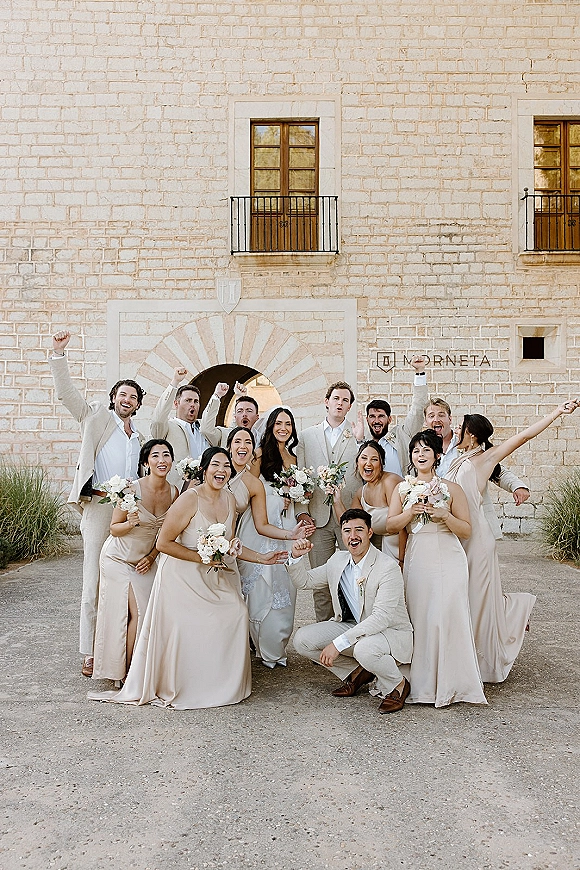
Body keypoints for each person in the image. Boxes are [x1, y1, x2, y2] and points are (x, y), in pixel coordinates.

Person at [88, 447, 288, 710]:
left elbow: (228, 544)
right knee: (189, 621)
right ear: (204, 470)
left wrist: (263, 558)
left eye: (226, 466)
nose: (222, 470)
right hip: (181, 575)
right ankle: (187, 685)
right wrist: (201, 558)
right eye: (215, 465)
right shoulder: (188, 499)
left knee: (237, 612)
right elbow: (164, 542)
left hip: (213, 576)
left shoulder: (229, 500)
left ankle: (222, 684)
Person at [446, 400, 579, 683]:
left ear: (472, 433)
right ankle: (470, 652)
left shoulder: (486, 458)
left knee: (478, 599)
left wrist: (558, 412)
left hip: (478, 539)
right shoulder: (456, 458)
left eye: (461, 426)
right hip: (459, 536)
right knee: (465, 596)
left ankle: (485, 660)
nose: (457, 429)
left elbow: (525, 436)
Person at [49, 330, 145, 677]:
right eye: (122, 395)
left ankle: (120, 647)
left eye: (133, 397)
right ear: (113, 398)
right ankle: (88, 651)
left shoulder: (140, 436)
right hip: (100, 507)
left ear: (138, 403)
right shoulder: (94, 418)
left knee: (127, 581)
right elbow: (66, 394)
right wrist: (58, 354)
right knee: (94, 582)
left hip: (129, 511)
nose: (126, 400)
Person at [386, 430, 487, 707]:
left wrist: (445, 515)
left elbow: (466, 531)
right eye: (416, 451)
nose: (421, 455)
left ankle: (451, 683)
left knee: (444, 615)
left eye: (426, 450)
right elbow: (391, 526)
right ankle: (420, 683)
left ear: (437, 455)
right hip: (418, 557)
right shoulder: (402, 488)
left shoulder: (452, 489)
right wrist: (409, 513)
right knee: (420, 617)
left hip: (448, 555)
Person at [289, 509, 414, 714]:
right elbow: (305, 582)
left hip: (388, 632)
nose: (352, 536)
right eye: (347, 530)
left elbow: (380, 619)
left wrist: (338, 644)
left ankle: (398, 685)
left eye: (359, 530)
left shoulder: (387, 567)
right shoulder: (337, 560)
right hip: (352, 626)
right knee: (302, 640)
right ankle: (356, 673)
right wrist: (295, 557)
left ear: (370, 533)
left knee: (364, 649)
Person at [92, 439, 179, 682]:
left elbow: (167, 534)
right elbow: (113, 528)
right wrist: (130, 522)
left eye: (166, 455)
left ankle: (140, 666)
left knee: (150, 611)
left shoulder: (174, 492)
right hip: (117, 558)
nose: (161, 460)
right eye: (155, 456)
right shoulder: (131, 489)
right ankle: (127, 671)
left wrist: (152, 557)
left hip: (144, 561)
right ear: (145, 462)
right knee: (134, 612)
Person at [236, 408, 311, 667]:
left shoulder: (293, 457)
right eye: (278, 423)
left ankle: (275, 644)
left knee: (285, 584)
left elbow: (300, 496)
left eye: (288, 424)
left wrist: (297, 496)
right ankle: (259, 643)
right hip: (259, 523)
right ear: (270, 426)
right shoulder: (258, 455)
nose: (283, 428)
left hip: (287, 523)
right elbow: (248, 490)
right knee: (258, 585)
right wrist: (272, 498)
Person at [295, 381, 360, 621]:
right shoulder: (306, 436)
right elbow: (300, 474)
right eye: (336, 398)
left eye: (345, 400)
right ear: (326, 401)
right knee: (320, 581)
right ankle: (322, 633)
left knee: (351, 577)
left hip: (348, 516)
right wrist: (302, 512)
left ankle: (350, 633)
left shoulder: (357, 436)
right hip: (317, 519)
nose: (340, 403)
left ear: (350, 406)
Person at [424, 397, 530, 539]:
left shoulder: (467, 443)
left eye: (441, 415)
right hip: (439, 521)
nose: (436, 419)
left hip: (471, 518)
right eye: (431, 416)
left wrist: (516, 486)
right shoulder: (421, 449)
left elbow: (495, 467)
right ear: (426, 421)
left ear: (450, 418)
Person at [352, 355, 429, 475]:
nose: (376, 420)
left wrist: (419, 372)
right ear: (367, 420)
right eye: (372, 416)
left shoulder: (402, 435)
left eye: (381, 416)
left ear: (390, 419)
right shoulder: (362, 441)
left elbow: (418, 409)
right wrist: (359, 441)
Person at [331, 440, 404, 564]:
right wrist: (336, 500)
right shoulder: (361, 493)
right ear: (357, 462)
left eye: (374, 459)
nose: (368, 463)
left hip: (402, 549)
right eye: (364, 458)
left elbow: (403, 526)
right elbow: (349, 523)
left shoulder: (390, 482)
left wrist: (403, 559)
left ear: (381, 464)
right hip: (385, 552)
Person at [149, 366, 209, 485]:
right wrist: (174, 382)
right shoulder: (167, 428)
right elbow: (158, 420)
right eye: (188, 400)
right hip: (178, 491)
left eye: (196, 401)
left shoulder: (205, 429)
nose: (193, 405)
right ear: (176, 403)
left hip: (206, 491)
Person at [200, 380, 260, 447]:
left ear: (257, 417)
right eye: (240, 411)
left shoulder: (262, 439)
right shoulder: (225, 435)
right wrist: (217, 396)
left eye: (249, 410)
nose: (244, 414)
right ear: (235, 416)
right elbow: (206, 430)